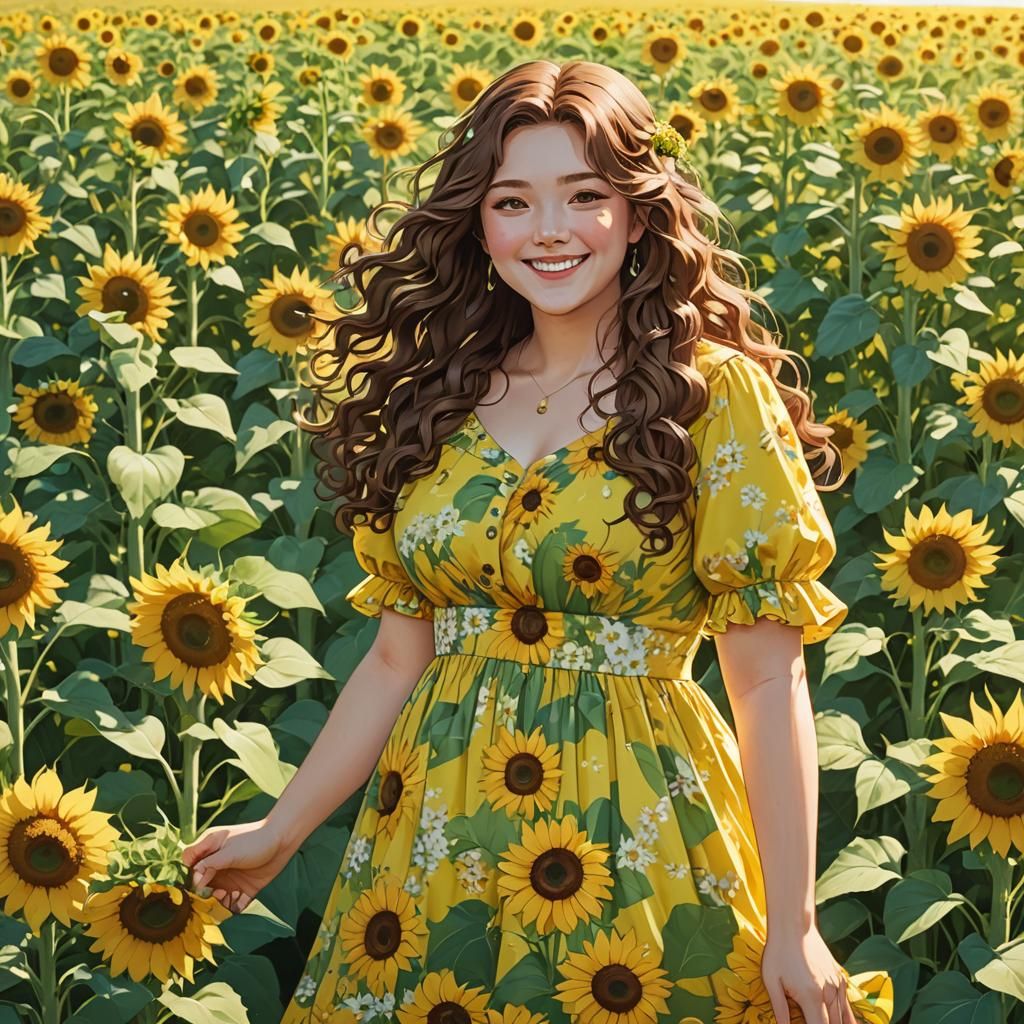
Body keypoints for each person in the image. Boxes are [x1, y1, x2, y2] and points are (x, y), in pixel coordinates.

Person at [181, 59, 894, 1024]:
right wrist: (284, 827)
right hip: (433, 836)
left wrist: (796, 919)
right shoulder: (439, 398)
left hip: (640, 833)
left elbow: (768, 682)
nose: (548, 230)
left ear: (640, 213)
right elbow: (397, 660)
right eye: (513, 201)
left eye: (585, 195)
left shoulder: (713, 395)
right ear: (479, 224)